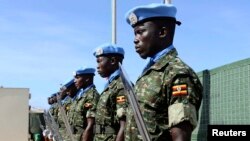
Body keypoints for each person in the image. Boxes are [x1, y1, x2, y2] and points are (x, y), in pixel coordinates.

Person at [124, 3, 203, 141]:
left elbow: (180, 137)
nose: (135, 39)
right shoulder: (150, 73)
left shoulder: (177, 74)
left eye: (140, 32)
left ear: (162, 32)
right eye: (135, 33)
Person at [93, 43, 128, 141]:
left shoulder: (121, 85)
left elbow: (125, 125)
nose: (97, 66)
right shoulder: (111, 85)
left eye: (99, 61)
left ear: (113, 61)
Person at [67, 67, 100, 141]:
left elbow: (90, 124)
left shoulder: (92, 95)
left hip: (82, 137)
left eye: (77, 78)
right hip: (74, 136)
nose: (75, 81)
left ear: (87, 79)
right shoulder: (80, 95)